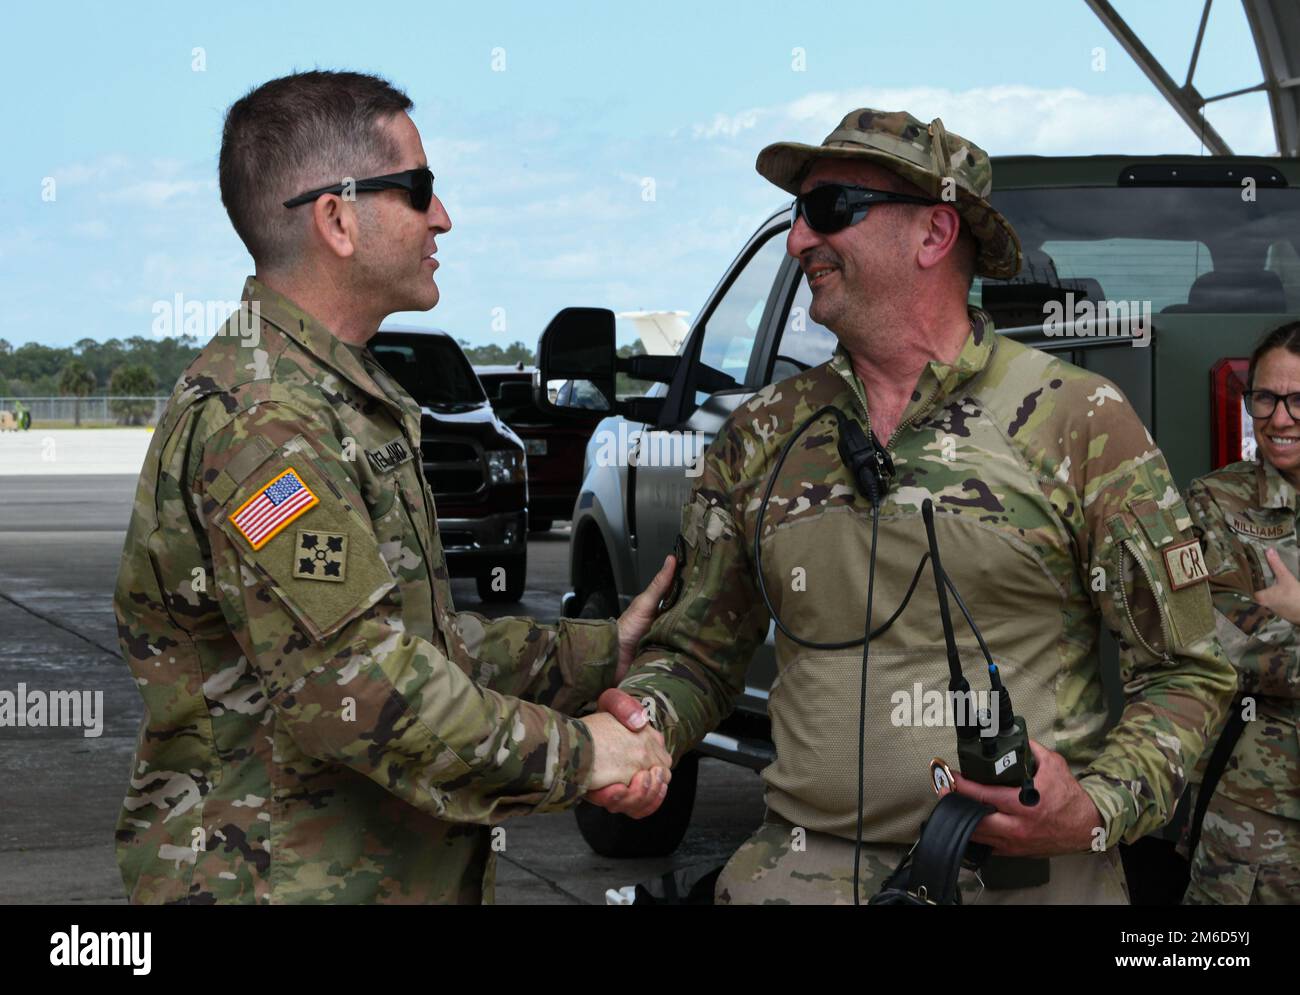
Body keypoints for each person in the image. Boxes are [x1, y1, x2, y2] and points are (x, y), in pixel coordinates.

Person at [601, 108, 1236, 903]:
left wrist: (1101, 807)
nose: (799, 240)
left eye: (829, 211)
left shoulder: (1078, 419)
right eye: (799, 214)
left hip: (1026, 884)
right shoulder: (761, 433)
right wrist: (641, 726)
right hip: (800, 876)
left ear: (933, 234)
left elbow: (1186, 671)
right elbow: (699, 653)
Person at [113, 70, 673, 905]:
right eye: (418, 189)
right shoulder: (265, 422)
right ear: (337, 218)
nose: (443, 216)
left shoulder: (332, 396)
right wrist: (586, 754)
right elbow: (362, 684)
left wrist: (594, 653)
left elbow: (413, 638)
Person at [1182, 322, 1300, 904]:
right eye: (1265, 398)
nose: (1279, 419)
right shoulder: (1216, 502)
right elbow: (1225, 640)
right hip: (1260, 814)